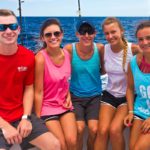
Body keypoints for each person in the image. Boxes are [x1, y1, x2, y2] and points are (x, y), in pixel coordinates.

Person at [0, 9, 60, 150]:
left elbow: (29, 88)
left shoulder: (28, 56)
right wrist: (4, 126)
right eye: (2, 27)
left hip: (20, 115)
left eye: (13, 26)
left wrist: (26, 117)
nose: (9, 31)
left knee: (55, 145)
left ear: (19, 29)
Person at [94, 17, 141, 150]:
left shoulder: (134, 49)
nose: (110, 36)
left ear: (121, 31)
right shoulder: (104, 49)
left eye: (113, 32)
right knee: (102, 130)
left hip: (128, 98)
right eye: (107, 33)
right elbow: (102, 71)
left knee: (114, 130)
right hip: (109, 94)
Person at [34, 18, 77, 150]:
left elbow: (66, 81)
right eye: (48, 34)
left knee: (72, 141)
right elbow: (38, 92)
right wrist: (37, 120)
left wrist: (68, 95)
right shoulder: (40, 58)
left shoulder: (67, 54)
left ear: (62, 35)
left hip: (64, 105)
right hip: (47, 107)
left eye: (56, 34)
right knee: (61, 145)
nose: (53, 37)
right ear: (43, 38)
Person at [64, 19, 104, 150]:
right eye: (82, 32)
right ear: (77, 34)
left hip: (95, 96)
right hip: (76, 97)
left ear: (95, 33)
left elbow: (103, 69)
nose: (86, 35)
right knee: (79, 129)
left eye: (90, 32)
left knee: (94, 129)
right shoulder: (69, 49)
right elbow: (63, 73)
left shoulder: (100, 48)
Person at [124, 21, 150, 150]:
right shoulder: (133, 62)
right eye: (141, 39)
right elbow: (129, 88)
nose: (145, 42)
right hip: (140, 111)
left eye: (148, 38)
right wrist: (130, 111)